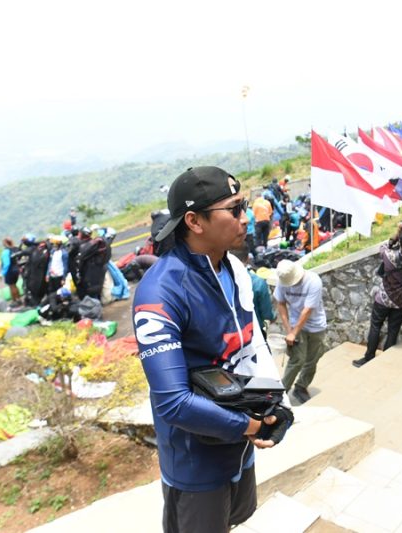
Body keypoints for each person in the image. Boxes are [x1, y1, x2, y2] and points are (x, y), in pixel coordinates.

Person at [132, 166, 290, 532]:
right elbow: (173, 402)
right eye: (234, 209)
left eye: (245, 205)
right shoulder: (161, 293)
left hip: (239, 444)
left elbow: (247, 348)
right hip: (196, 461)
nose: (246, 217)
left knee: (234, 520)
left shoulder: (231, 268)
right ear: (194, 221)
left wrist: (267, 407)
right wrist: (249, 425)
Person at [353, 223, 402, 368]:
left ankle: (369, 356)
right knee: (393, 330)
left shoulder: (389, 256)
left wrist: (396, 235)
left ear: (401, 243)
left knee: (375, 326)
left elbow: (383, 246)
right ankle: (388, 359)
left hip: (384, 298)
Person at [273, 259, 327, 404]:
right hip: (296, 324)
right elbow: (281, 303)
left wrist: (293, 332)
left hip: (316, 325)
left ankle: (301, 386)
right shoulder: (282, 281)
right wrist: (289, 330)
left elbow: (307, 310)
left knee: (312, 359)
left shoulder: (313, 281)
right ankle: (281, 393)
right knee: (297, 359)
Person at [0, 237, 21, 304]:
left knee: (11, 286)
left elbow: (6, 264)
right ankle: (19, 299)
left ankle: (15, 300)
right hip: (16, 269)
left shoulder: (6, 251)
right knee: (14, 285)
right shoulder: (15, 249)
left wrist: (2, 273)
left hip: (10, 271)